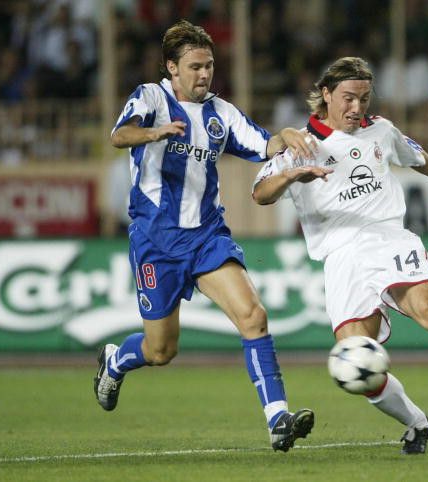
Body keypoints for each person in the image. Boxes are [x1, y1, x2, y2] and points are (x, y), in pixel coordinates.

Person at [93, 20, 315, 453]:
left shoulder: (221, 113)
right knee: (161, 350)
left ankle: (278, 420)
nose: (204, 74)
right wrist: (153, 133)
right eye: (195, 67)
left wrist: (285, 137)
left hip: (207, 237)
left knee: (253, 316)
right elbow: (119, 135)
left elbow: (262, 145)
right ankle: (116, 361)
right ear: (172, 67)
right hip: (156, 241)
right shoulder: (151, 98)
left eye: (209, 66)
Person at [252, 57, 428, 455]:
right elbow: (260, 193)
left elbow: (416, 156)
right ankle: (417, 423)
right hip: (340, 255)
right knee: (355, 361)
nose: (356, 107)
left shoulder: (381, 130)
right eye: (348, 98)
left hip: (387, 236)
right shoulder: (301, 144)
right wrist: (292, 175)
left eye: (363, 98)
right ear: (326, 94)